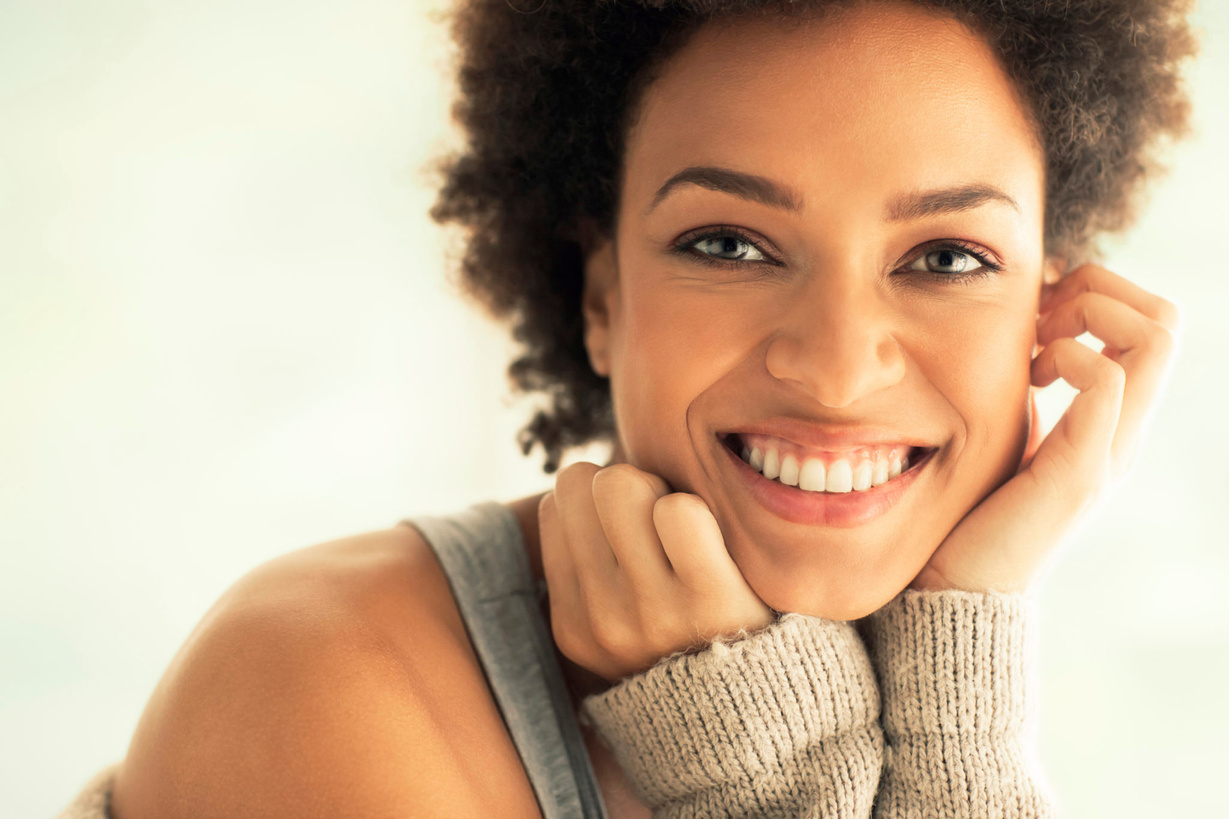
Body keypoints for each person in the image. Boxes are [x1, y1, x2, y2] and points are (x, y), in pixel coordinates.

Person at [60, 0, 1195, 816]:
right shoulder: (325, 677)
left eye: (945, 257)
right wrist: (763, 773)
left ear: (1047, 320)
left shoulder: (926, 664)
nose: (838, 369)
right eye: (727, 244)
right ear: (602, 300)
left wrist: (961, 664)